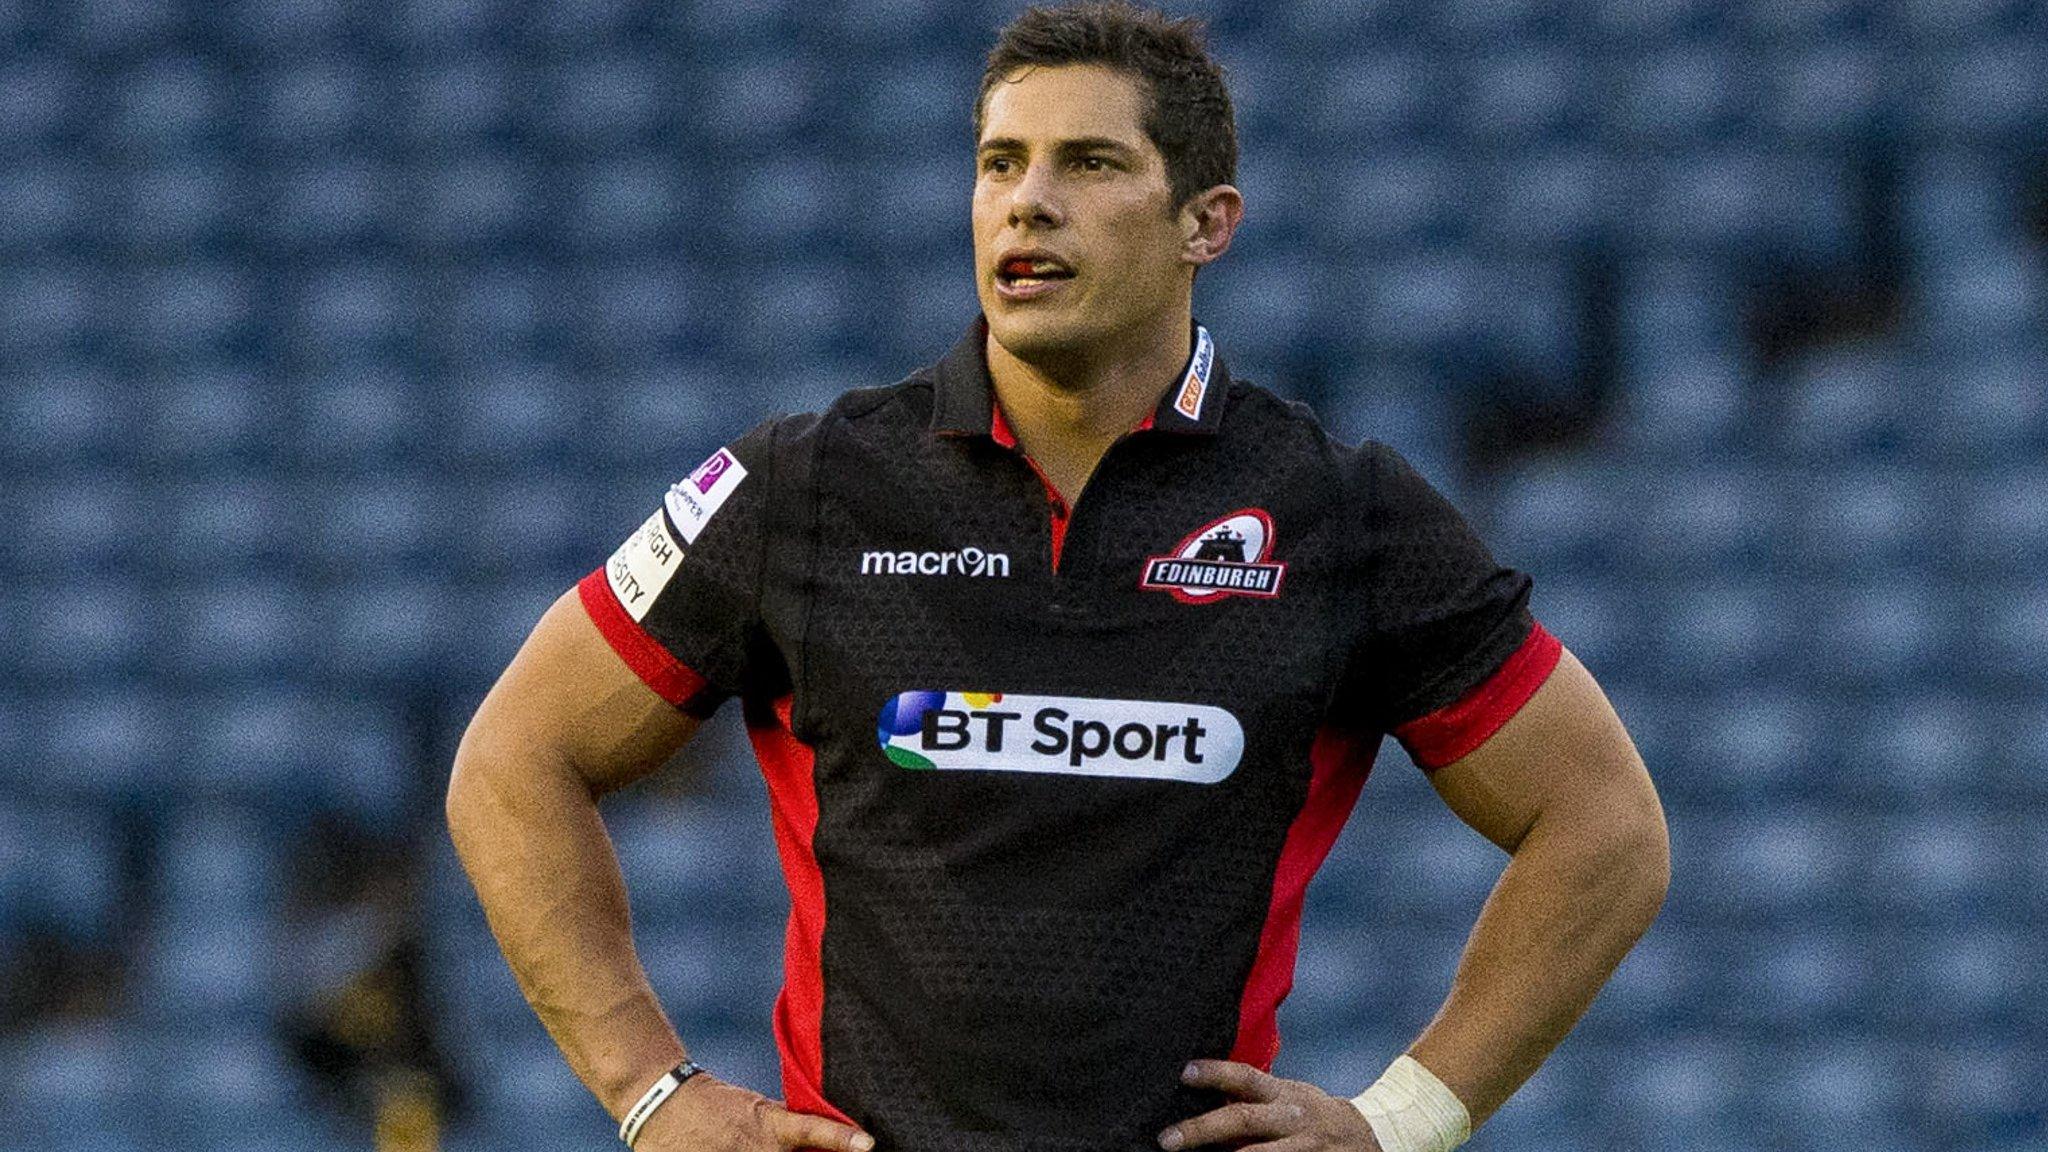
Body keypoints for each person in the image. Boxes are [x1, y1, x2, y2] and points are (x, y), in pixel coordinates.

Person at [444, 4, 1671, 1150]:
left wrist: (1403, 1119)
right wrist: (652, 1096)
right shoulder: (805, 485)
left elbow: (1603, 824)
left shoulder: (1340, 513)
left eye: (1086, 164)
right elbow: (513, 761)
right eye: (998, 164)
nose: (1026, 204)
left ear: (1206, 222)